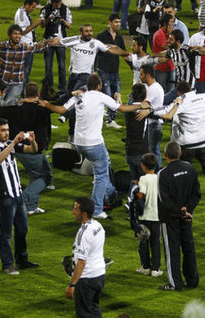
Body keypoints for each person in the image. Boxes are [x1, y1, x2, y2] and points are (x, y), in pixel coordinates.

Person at [41, 75, 147, 218]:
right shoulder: (101, 96)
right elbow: (122, 108)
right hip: (93, 144)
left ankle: (111, 196)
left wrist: (47, 105)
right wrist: (140, 105)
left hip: (79, 143)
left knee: (104, 165)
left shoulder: (78, 97)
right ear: (99, 86)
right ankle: (97, 209)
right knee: (101, 175)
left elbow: (61, 110)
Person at [0, 82, 55, 215]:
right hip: (32, 149)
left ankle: (31, 207)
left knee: (41, 174)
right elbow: (60, 104)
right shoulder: (43, 108)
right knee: (44, 177)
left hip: (18, 147)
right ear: (37, 94)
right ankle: (23, 200)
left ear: (24, 93)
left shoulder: (16, 108)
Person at [154, 82, 205, 208]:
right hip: (203, 143)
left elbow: (165, 113)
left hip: (186, 145)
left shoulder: (181, 103)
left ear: (178, 92)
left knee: (182, 173)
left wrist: (150, 111)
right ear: (191, 89)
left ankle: (182, 199)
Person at [0, 119, 39, 274]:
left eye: (7, 130)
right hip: (6, 196)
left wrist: (33, 141)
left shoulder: (10, 143)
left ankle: (21, 260)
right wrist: (13, 143)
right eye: (3, 130)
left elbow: (32, 150)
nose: (6, 133)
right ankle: (7, 264)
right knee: (6, 232)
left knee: (22, 229)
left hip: (18, 193)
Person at [156, 141, 201, 291]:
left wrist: (180, 211)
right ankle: (192, 280)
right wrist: (187, 209)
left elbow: (165, 200)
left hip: (170, 218)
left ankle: (175, 283)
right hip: (187, 216)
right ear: (180, 153)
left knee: (172, 250)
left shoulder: (163, 174)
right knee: (188, 247)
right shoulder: (190, 168)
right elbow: (196, 193)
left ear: (165, 155)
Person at [65, 196, 106, 317]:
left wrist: (72, 284)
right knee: (94, 309)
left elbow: (82, 262)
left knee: (84, 314)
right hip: (99, 275)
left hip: (87, 279)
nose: (73, 211)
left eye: (75, 209)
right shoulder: (98, 226)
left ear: (84, 214)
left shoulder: (84, 233)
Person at [96, 13, 127, 128]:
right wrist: (94, 69)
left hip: (115, 71)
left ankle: (111, 120)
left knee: (116, 94)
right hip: (104, 70)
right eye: (116, 22)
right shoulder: (101, 36)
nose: (118, 24)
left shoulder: (119, 37)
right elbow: (95, 53)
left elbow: (123, 52)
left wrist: (132, 66)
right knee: (108, 95)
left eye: (119, 22)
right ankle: (108, 119)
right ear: (110, 22)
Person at [135, 153, 162, 277]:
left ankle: (146, 267)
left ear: (143, 166)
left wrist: (135, 191)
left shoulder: (143, 179)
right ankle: (155, 269)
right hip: (156, 216)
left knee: (143, 242)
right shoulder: (159, 178)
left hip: (144, 216)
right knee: (155, 242)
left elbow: (141, 195)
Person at [40, 0, 73, 93]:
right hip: (48, 41)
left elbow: (70, 26)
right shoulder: (45, 9)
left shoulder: (65, 9)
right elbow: (42, 25)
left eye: (59, 4)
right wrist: (48, 18)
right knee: (48, 66)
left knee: (62, 66)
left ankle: (62, 88)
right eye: (56, 5)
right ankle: (48, 88)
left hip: (61, 41)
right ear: (52, 3)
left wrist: (62, 21)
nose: (58, 6)